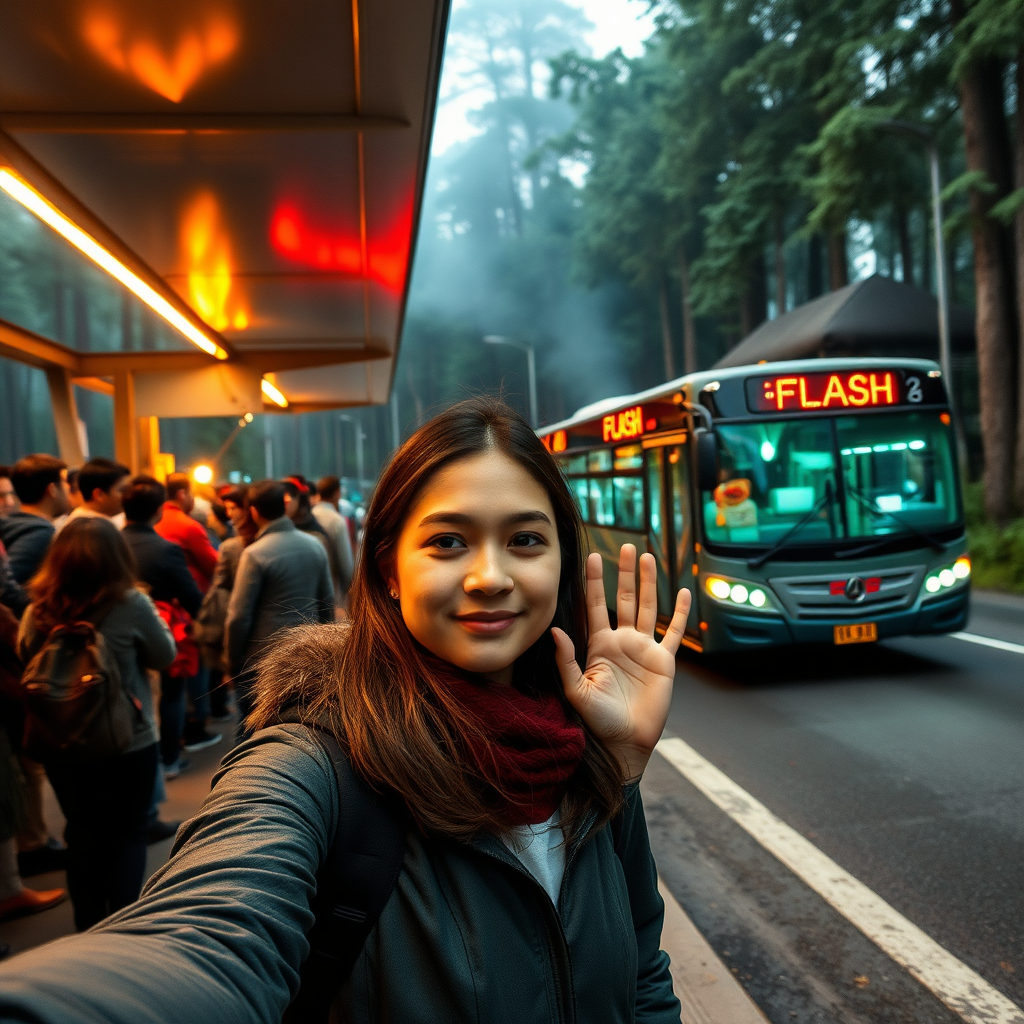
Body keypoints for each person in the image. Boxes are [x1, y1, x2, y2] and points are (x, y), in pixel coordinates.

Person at [0, 398, 691, 1023]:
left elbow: (643, 976)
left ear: (562, 562)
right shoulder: (315, 765)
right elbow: (203, 940)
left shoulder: (585, 742)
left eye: (526, 540)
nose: (490, 576)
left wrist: (620, 765)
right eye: (448, 541)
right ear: (389, 570)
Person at [17, 517, 176, 931]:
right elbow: (164, 656)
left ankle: (86, 930)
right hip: (128, 740)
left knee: (81, 834)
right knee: (128, 834)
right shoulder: (131, 604)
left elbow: (24, 656)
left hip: (62, 741)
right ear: (116, 557)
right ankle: (121, 930)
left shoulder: (39, 608)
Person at [120, 476, 217, 817]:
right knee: (173, 693)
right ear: (159, 509)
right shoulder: (165, 548)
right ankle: (170, 760)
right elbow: (193, 596)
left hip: (117, 643)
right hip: (161, 629)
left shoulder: (113, 543)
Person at [224, 479, 334, 735]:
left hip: (262, 660)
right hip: (307, 656)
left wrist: (231, 661)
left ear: (254, 511)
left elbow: (238, 616)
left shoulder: (255, 553)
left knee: (251, 732)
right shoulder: (314, 545)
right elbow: (326, 601)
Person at [0, 455, 70, 617]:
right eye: (65, 483)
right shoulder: (40, 534)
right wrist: (43, 610)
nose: (69, 488)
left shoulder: (12, 523)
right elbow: (8, 586)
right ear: (52, 489)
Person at [154, 474, 219, 592]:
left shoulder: (153, 521)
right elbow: (214, 565)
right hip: (189, 597)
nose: (193, 499)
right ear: (182, 495)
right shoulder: (189, 526)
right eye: (191, 494)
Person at [312, 474, 355, 606]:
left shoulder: (310, 515)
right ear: (337, 493)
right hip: (329, 588)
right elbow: (346, 564)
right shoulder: (336, 520)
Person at [57, 458, 130, 532]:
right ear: (99, 494)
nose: (128, 494)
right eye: (122, 490)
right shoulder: (87, 530)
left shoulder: (105, 522)